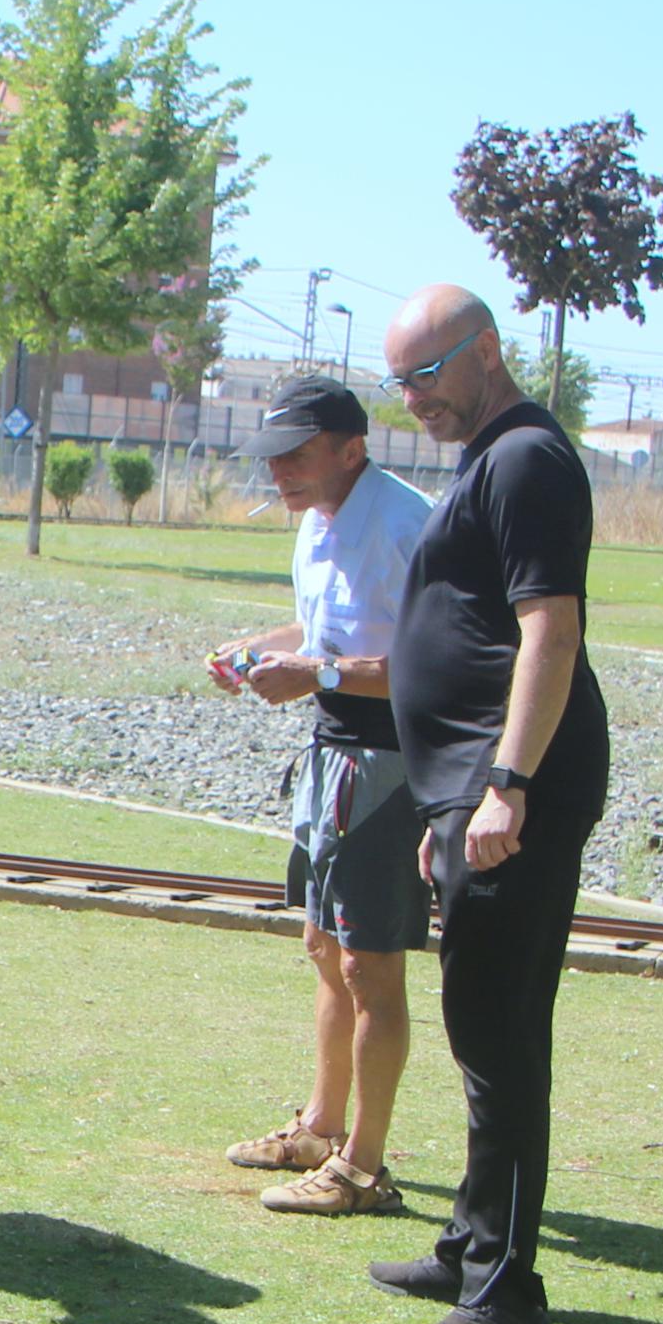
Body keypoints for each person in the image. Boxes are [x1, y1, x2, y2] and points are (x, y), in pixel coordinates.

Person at [369, 286, 611, 1324]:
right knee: (475, 1024)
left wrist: (506, 782)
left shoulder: (524, 461)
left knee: (500, 1040)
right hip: (469, 791)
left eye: (426, 374)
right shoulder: (489, 457)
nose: (412, 397)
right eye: (400, 382)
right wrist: (450, 801)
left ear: (487, 352)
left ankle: (506, 1290)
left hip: (513, 790)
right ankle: (470, 1241)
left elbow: (547, 631)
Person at [208, 374, 431, 1218]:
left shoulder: (411, 527)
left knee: (370, 968)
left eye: (297, 455)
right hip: (331, 754)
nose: (280, 473)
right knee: (321, 947)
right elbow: (322, 631)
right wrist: (254, 649)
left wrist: (316, 674)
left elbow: (432, 666)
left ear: (350, 448)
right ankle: (320, 1127)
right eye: (272, 457)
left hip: (392, 763)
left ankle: (363, 1169)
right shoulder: (314, 520)